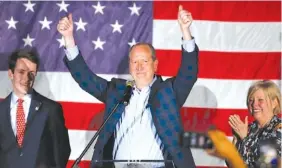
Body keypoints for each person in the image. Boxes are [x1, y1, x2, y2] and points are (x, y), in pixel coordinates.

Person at [57, 5, 198, 168]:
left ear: (155, 65)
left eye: (144, 61)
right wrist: (68, 38)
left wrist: (186, 33)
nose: (139, 67)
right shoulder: (117, 91)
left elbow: (189, 73)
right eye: (134, 62)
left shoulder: (169, 92)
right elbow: (86, 80)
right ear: (129, 66)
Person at [0, 48, 71, 168]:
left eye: (31, 73)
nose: (26, 78)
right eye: (21, 72)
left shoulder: (51, 109)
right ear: (11, 73)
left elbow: (62, 150)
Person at [228, 80, 281, 168]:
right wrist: (236, 140)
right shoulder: (247, 129)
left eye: (260, 100)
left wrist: (245, 138)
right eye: (251, 100)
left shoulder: (279, 129)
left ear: (274, 103)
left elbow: (267, 164)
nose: (254, 104)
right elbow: (231, 164)